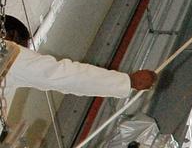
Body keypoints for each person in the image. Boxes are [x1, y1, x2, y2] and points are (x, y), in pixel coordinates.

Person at [0, 15, 156, 99]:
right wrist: (127, 81)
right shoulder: (8, 52)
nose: (25, 52)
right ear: (10, 35)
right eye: (23, 46)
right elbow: (61, 76)